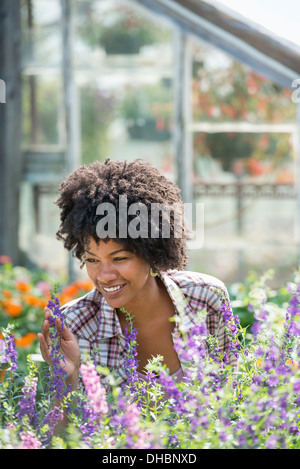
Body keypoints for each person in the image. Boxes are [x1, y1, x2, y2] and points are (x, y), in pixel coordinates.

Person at [38, 158, 236, 397]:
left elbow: (231, 398)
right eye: (92, 260)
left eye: (119, 258)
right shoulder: (76, 325)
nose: (105, 275)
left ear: (150, 251)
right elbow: (63, 433)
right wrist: (66, 379)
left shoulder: (206, 298)